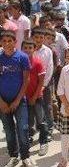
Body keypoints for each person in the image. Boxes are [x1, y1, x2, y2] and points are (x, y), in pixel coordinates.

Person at [0, 30, 33, 167]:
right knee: (8, 130)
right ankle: (13, 155)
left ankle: (25, 156)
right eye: (4, 41)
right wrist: (1, 102)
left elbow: (26, 80)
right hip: (2, 101)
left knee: (23, 129)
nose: (7, 44)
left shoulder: (22, 57)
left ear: (15, 42)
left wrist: (17, 100)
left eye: (10, 41)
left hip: (19, 101)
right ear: (1, 42)